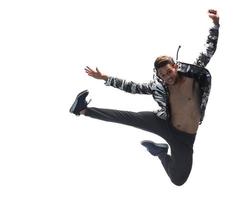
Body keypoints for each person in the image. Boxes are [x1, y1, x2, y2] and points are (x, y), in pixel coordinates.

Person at [69, 9, 220, 186]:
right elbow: (131, 87)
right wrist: (105, 78)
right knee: (128, 118)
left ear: (175, 66)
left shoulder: (193, 74)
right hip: (164, 123)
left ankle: (161, 152)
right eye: (163, 75)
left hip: (185, 138)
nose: (167, 77)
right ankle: (83, 109)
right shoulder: (158, 86)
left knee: (178, 179)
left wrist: (216, 25)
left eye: (169, 72)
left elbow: (209, 49)